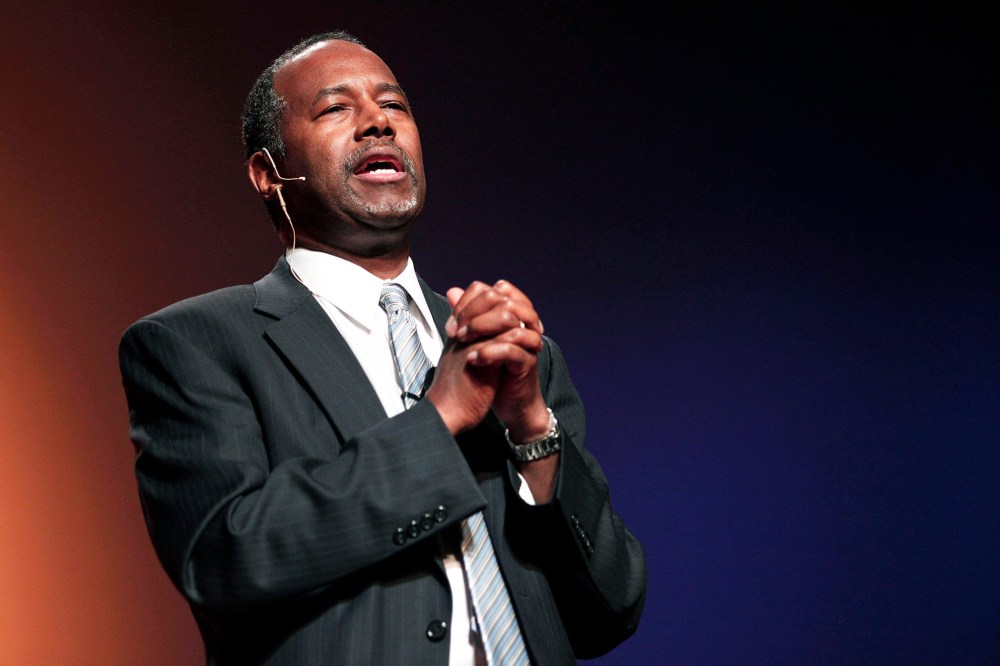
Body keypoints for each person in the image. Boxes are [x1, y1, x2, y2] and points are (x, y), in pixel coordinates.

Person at [119, 30, 646, 665]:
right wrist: (440, 417)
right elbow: (225, 562)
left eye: (394, 105)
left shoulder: (516, 356)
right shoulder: (197, 344)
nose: (377, 123)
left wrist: (533, 428)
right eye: (336, 108)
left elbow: (611, 609)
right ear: (267, 173)